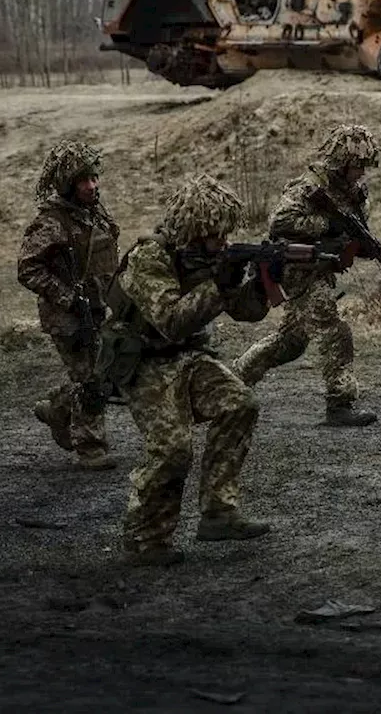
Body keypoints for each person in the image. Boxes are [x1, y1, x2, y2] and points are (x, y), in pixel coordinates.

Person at [104, 174, 271, 567]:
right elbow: (170, 321)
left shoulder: (212, 258)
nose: (224, 242)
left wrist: (264, 284)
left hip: (188, 356)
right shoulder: (150, 258)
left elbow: (247, 312)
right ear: (195, 232)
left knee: (239, 403)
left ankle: (219, 512)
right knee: (173, 449)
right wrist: (219, 283)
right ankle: (146, 539)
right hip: (144, 361)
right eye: (216, 235)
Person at [233, 124, 379, 427]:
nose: (361, 172)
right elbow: (280, 220)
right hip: (297, 268)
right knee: (334, 330)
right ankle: (340, 403)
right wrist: (326, 226)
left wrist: (358, 245)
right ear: (342, 161)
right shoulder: (311, 186)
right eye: (357, 165)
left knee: (291, 342)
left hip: (321, 269)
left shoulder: (352, 192)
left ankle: (233, 379)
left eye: (365, 165)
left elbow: (354, 232)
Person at [17, 139, 120, 470]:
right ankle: (90, 447)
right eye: (82, 181)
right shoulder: (52, 222)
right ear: (67, 185)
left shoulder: (94, 213)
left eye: (93, 178)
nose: (91, 186)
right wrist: (67, 298)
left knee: (101, 373)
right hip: (68, 317)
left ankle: (58, 409)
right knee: (91, 378)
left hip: (99, 308)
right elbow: (27, 268)